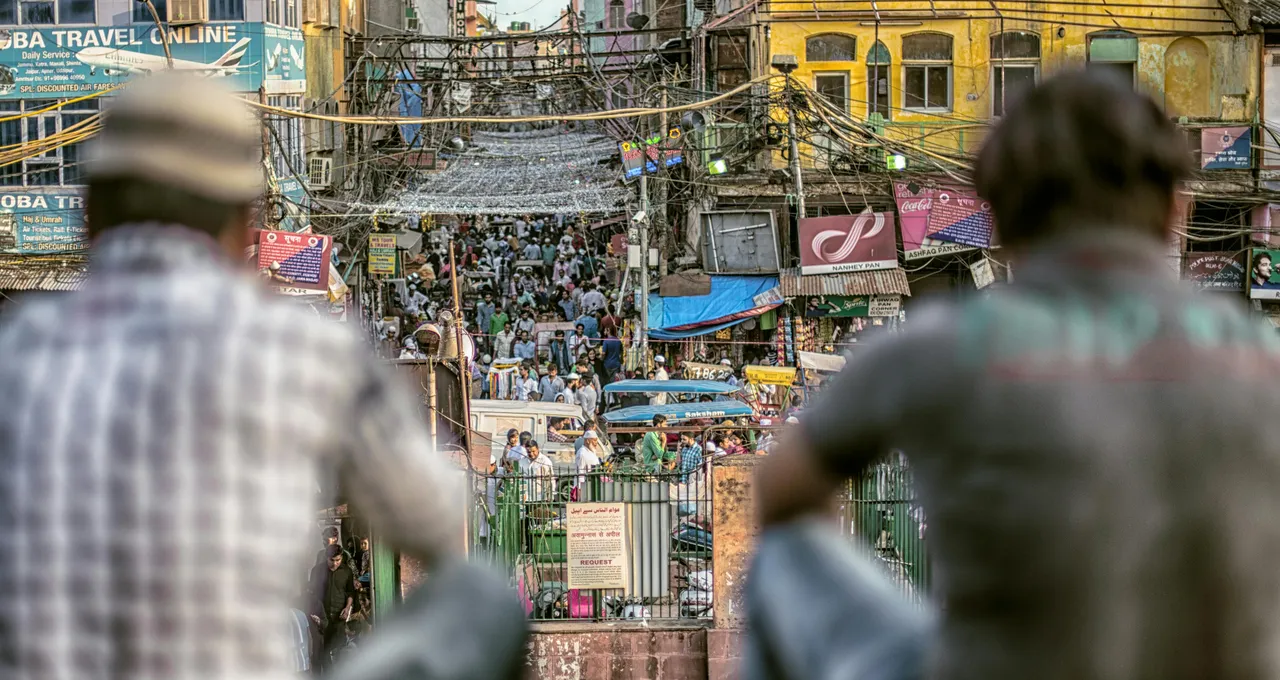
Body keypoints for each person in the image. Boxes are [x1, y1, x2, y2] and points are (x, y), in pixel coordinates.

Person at [752, 71, 1280, 680]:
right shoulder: (1262, 358)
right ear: (1174, 210)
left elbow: (782, 493)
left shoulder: (936, 348)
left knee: (783, 558)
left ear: (998, 219)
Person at [0, 73, 463, 680]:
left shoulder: (18, 353)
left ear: (89, 220)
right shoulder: (304, 351)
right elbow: (438, 520)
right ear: (245, 225)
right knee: (478, 601)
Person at [309, 544, 357, 669]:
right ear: (326, 557)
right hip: (321, 617)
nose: (335, 563)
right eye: (332, 560)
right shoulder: (317, 571)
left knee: (338, 651)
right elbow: (311, 594)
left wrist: (347, 608)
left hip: (338, 618)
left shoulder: (347, 571)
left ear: (342, 558)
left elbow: (350, 592)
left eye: (338, 560)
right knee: (320, 654)